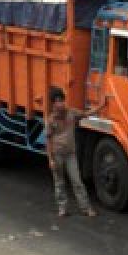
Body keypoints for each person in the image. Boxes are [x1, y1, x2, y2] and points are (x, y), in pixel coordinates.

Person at [45, 86, 101, 217]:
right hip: (57, 155)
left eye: (62, 100)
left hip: (70, 154)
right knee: (59, 182)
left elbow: (86, 114)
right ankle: (62, 208)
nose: (60, 104)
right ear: (53, 104)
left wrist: (101, 106)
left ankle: (86, 208)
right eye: (57, 101)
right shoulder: (51, 120)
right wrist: (50, 159)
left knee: (77, 181)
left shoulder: (71, 113)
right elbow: (48, 141)